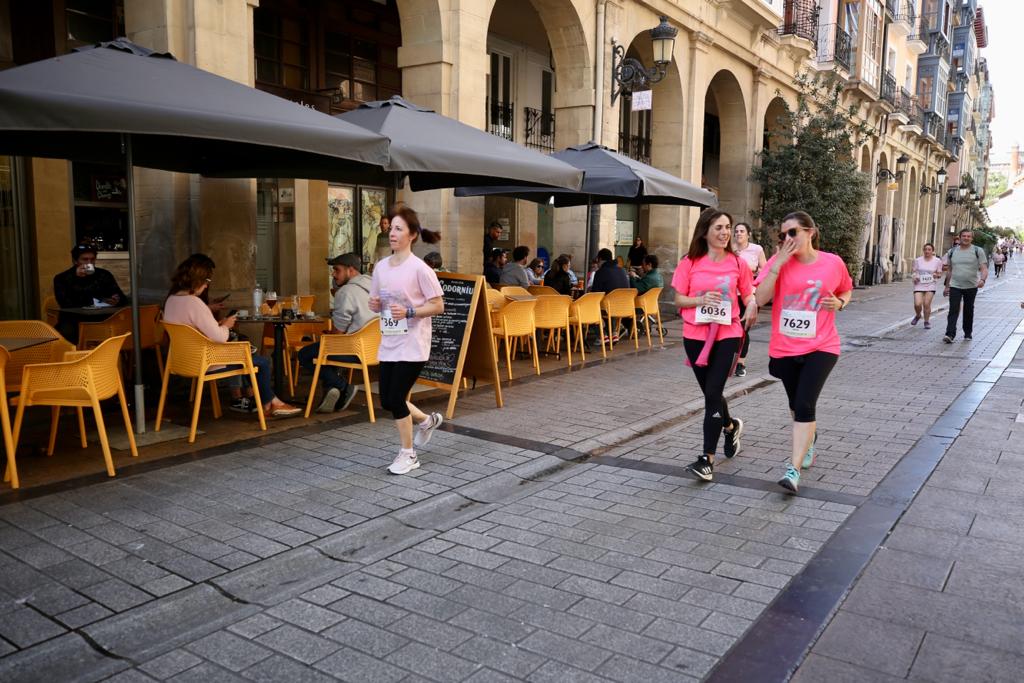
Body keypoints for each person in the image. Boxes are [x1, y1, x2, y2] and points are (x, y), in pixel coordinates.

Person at [755, 211, 852, 494]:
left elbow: (847, 290)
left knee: (806, 404)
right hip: (785, 346)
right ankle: (810, 438)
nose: (787, 239)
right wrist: (778, 264)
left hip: (822, 346)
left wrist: (840, 303)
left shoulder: (832, 262)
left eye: (793, 233)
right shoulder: (778, 262)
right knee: (796, 405)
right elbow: (760, 298)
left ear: (810, 232)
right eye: (782, 235)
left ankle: (792, 470)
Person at [672, 209, 757, 483]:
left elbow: (748, 292)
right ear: (705, 231)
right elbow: (679, 300)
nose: (725, 233)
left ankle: (707, 459)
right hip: (695, 335)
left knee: (712, 391)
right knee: (712, 394)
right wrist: (699, 300)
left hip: (727, 334)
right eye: (719, 227)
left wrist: (753, 303)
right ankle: (731, 426)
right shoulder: (689, 262)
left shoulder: (738, 263)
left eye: (728, 227)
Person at [162, 254, 301, 418]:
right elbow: (220, 338)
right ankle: (269, 404)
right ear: (197, 280)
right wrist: (226, 325)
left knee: (250, 355)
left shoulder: (171, 300)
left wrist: (218, 325)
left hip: (181, 362)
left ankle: (270, 403)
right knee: (262, 361)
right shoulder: (194, 303)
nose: (207, 286)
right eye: (207, 281)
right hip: (207, 362)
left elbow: (193, 332)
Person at [369, 205, 446, 475]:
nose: (392, 233)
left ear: (412, 235)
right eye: (391, 228)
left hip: (414, 343)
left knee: (397, 398)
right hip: (389, 340)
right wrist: (375, 304)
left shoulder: (420, 269)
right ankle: (427, 421)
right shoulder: (380, 268)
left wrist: (411, 311)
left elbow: (438, 306)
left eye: (399, 229)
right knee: (388, 400)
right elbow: (376, 303)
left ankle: (408, 454)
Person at [297, 253, 374, 413]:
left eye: (337, 270)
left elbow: (338, 332)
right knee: (325, 350)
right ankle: (332, 392)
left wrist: (330, 334)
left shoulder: (346, 292)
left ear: (351, 270)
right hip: (377, 350)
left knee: (305, 354)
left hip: (355, 350)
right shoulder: (375, 285)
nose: (333, 274)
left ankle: (343, 387)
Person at [53, 243, 128, 343]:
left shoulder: (103, 275)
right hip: (74, 320)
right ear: (75, 261)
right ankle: (74, 356)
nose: (90, 263)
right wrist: (77, 279)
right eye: (85, 259)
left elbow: (122, 298)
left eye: (92, 259)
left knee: (125, 326)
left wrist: (115, 300)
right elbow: (65, 304)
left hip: (101, 318)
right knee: (66, 332)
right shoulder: (62, 278)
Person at [732, 222, 767, 377]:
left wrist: (753, 274)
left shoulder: (756, 249)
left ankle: (740, 363)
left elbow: (765, 271)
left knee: (743, 329)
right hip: (732, 295)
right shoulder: (729, 249)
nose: (738, 233)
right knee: (731, 329)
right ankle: (729, 360)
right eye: (736, 231)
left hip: (749, 295)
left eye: (742, 231)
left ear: (748, 234)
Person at [941, 229, 987, 343]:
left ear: (972, 238)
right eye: (964, 236)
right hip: (955, 285)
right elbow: (950, 271)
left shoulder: (978, 251)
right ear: (960, 237)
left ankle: (967, 332)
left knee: (968, 309)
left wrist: (982, 279)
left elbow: (983, 268)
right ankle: (950, 334)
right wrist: (947, 286)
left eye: (968, 236)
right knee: (953, 309)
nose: (966, 238)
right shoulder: (952, 251)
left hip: (971, 286)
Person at [911, 243, 943, 329]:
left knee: (926, 303)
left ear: (932, 251)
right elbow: (914, 272)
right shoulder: (918, 260)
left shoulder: (937, 261)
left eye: (929, 250)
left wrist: (937, 275)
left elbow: (940, 273)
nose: (927, 251)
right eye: (925, 249)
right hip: (919, 284)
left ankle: (926, 321)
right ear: (923, 250)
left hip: (930, 284)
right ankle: (918, 315)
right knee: (917, 304)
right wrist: (914, 277)